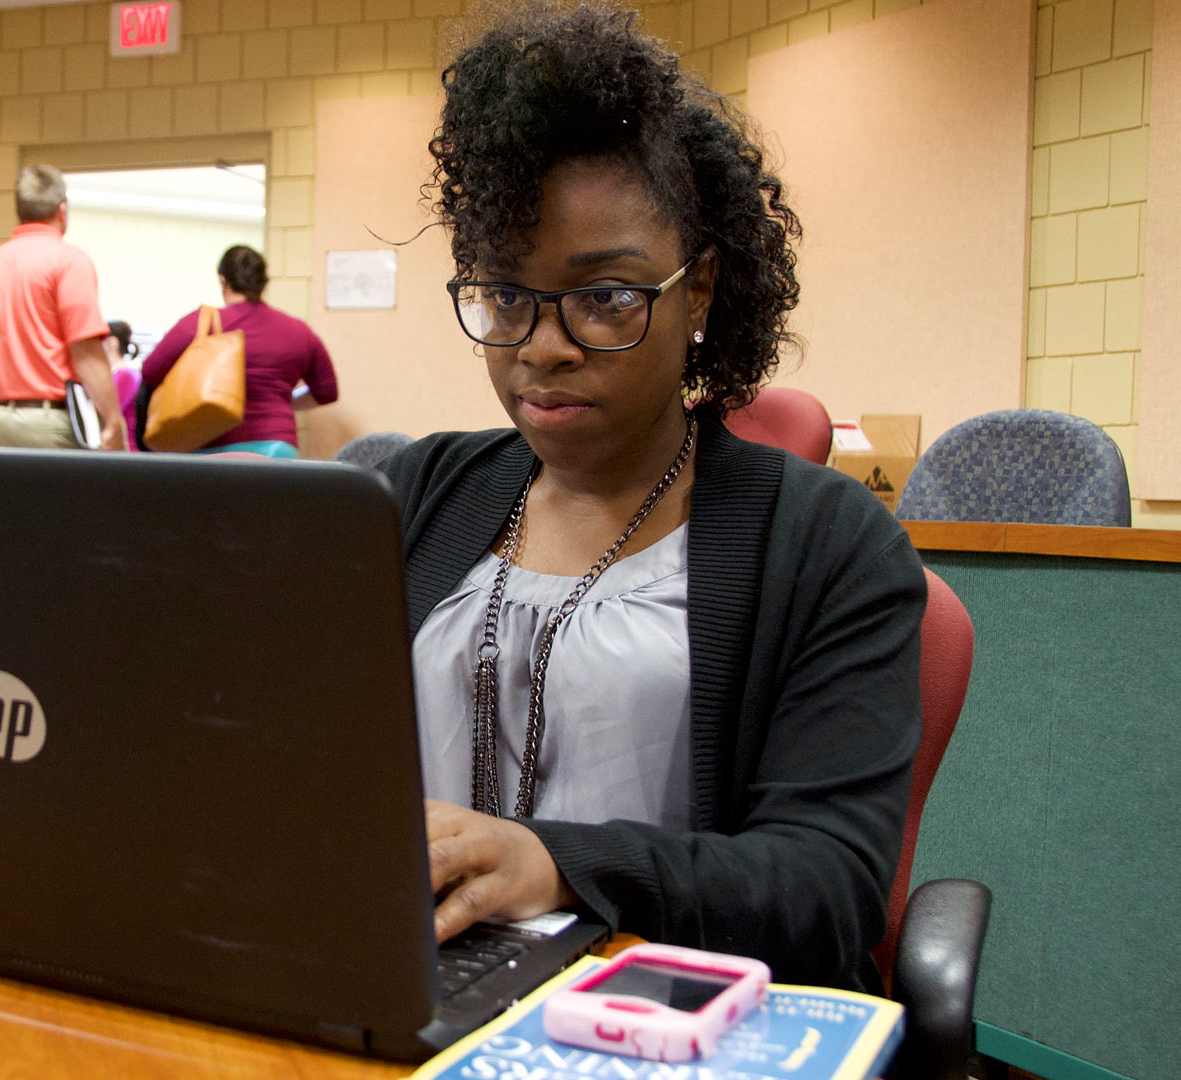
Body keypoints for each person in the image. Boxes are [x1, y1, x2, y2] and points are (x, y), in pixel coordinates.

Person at [379, 2, 924, 994]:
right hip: (411, 988)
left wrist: (554, 864)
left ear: (701, 291)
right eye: (505, 295)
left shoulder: (828, 544)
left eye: (606, 298)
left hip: (668, 1012)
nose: (544, 344)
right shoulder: (414, 494)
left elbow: (829, 888)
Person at [0, 165, 124, 450]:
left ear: (20, 212)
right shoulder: (69, 262)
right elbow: (85, 351)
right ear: (62, 211)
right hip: (50, 426)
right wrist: (113, 421)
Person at [139, 246, 338, 457]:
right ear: (263, 284)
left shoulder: (200, 324)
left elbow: (150, 371)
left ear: (223, 281)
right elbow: (327, 391)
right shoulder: (299, 331)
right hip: (277, 447)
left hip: (209, 445)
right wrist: (283, 400)